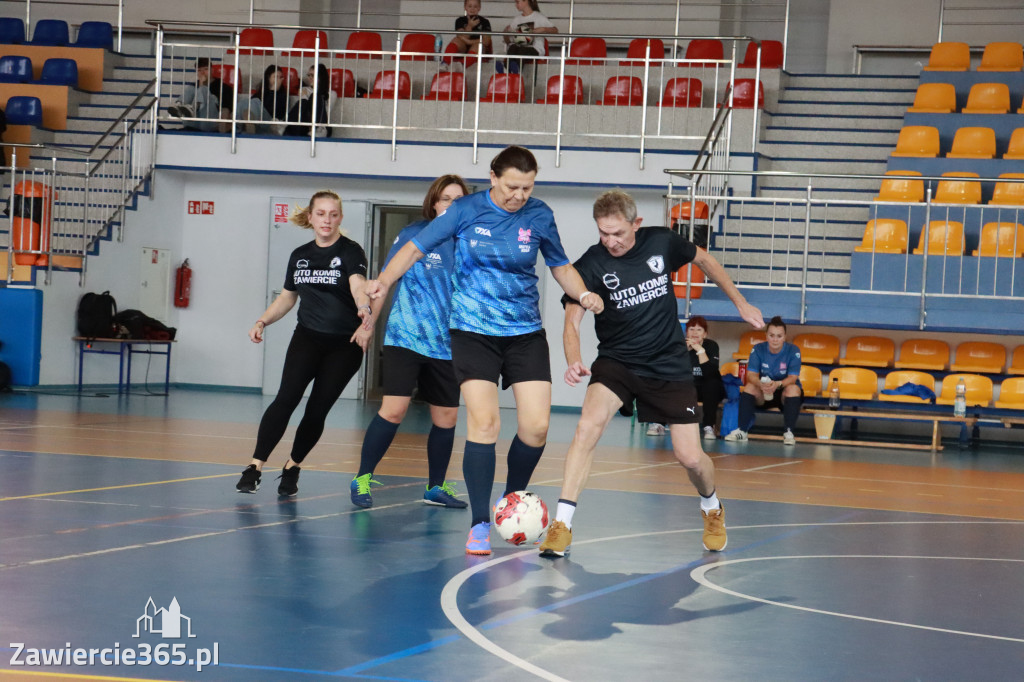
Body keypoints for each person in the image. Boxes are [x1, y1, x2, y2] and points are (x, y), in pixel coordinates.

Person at [366, 145, 603, 556]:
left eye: (527, 188)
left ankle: (510, 503)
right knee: (486, 424)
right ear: (493, 177)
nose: (519, 196)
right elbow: (414, 249)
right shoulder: (464, 210)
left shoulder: (540, 215)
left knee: (536, 428)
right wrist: (384, 282)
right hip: (473, 333)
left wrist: (582, 294)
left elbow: (560, 266)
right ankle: (478, 522)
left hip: (524, 333)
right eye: (512, 186)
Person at [537, 189, 764, 558]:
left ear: (636, 224)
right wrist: (574, 358)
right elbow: (572, 319)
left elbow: (704, 260)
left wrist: (740, 302)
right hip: (618, 361)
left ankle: (712, 506)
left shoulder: (660, 241)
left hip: (667, 363)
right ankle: (561, 525)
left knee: (690, 457)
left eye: (618, 233)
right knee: (586, 427)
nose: (610, 241)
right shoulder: (592, 264)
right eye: (603, 233)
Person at [235, 190, 374, 495]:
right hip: (307, 338)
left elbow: (358, 285)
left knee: (316, 410)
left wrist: (364, 307)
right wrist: (262, 321)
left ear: (340, 218)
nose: (327, 220)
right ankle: (255, 466)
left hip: (344, 346)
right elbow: (287, 298)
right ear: (310, 217)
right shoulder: (299, 255)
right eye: (321, 213)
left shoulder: (351, 251)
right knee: (285, 399)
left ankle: (292, 466)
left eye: (333, 214)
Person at [350, 174, 471, 510]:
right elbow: (383, 283)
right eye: (446, 198)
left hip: (447, 345)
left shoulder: (469, 242)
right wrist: (369, 323)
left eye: (458, 200)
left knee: (446, 417)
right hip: (406, 337)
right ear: (434, 202)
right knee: (394, 410)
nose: (451, 205)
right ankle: (361, 478)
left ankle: (435, 488)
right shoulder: (414, 235)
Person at [723, 315, 803, 445]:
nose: (775, 339)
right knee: (749, 387)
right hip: (764, 391)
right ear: (766, 335)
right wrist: (760, 384)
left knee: (793, 389)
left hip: (783, 392)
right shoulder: (758, 349)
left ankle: (789, 432)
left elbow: (793, 378)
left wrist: (777, 384)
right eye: (772, 335)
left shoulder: (793, 350)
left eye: (779, 336)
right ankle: (742, 431)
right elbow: (751, 375)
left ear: (785, 336)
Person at [686, 316, 727, 440]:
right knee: (668, 382)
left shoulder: (712, 346)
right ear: (687, 332)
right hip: (690, 387)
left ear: (705, 334)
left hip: (709, 388)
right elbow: (673, 371)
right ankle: (658, 424)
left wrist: (700, 350)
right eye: (691, 329)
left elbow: (711, 373)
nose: (695, 333)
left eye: (699, 330)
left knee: (712, 384)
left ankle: (709, 426)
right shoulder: (679, 347)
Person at [167, 57, 230, 132]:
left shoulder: (224, 87)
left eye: (206, 69)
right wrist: (200, 84)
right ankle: (179, 106)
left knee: (203, 89)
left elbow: (226, 109)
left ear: (212, 70)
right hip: (193, 122)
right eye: (199, 70)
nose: (202, 73)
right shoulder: (193, 86)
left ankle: (193, 108)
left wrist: (202, 86)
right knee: (191, 89)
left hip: (210, 122)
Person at [497, 0, 557, 75]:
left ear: (526, 2)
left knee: (521, 51)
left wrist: (543, 29)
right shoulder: (516, 19)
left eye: (517, 2)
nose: (516, 5)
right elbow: (508, 41)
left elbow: (555, 30)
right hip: (519, 47)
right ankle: (508, 70)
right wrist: (506, 33)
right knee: (513, 47)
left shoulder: (539, 17)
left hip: (535, 48)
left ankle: (514, 70)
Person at [285, 63, 331, 137]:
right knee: (304, 101)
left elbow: (328, 108)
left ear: (320, 77)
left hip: (323, 125)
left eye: (312, 75)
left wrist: (315, 95)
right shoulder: (304, 89)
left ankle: (319, 128)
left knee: (315, 96)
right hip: (306, 124)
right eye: (308, 75)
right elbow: (303, 107)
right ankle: (285, 125)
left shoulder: (331, 93)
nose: (310, 78)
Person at [243, 64, 289, 134]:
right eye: (275, 77)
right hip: (257, 121)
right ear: (268, 78)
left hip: (269, 123)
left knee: (255, 101)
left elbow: (275, 112)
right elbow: (250, 104)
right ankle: (247, 123)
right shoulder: (261, 92)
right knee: (246, 102)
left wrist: (273, 91)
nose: (278, 80)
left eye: (280, 77)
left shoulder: (283, 95)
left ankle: (249, 122)